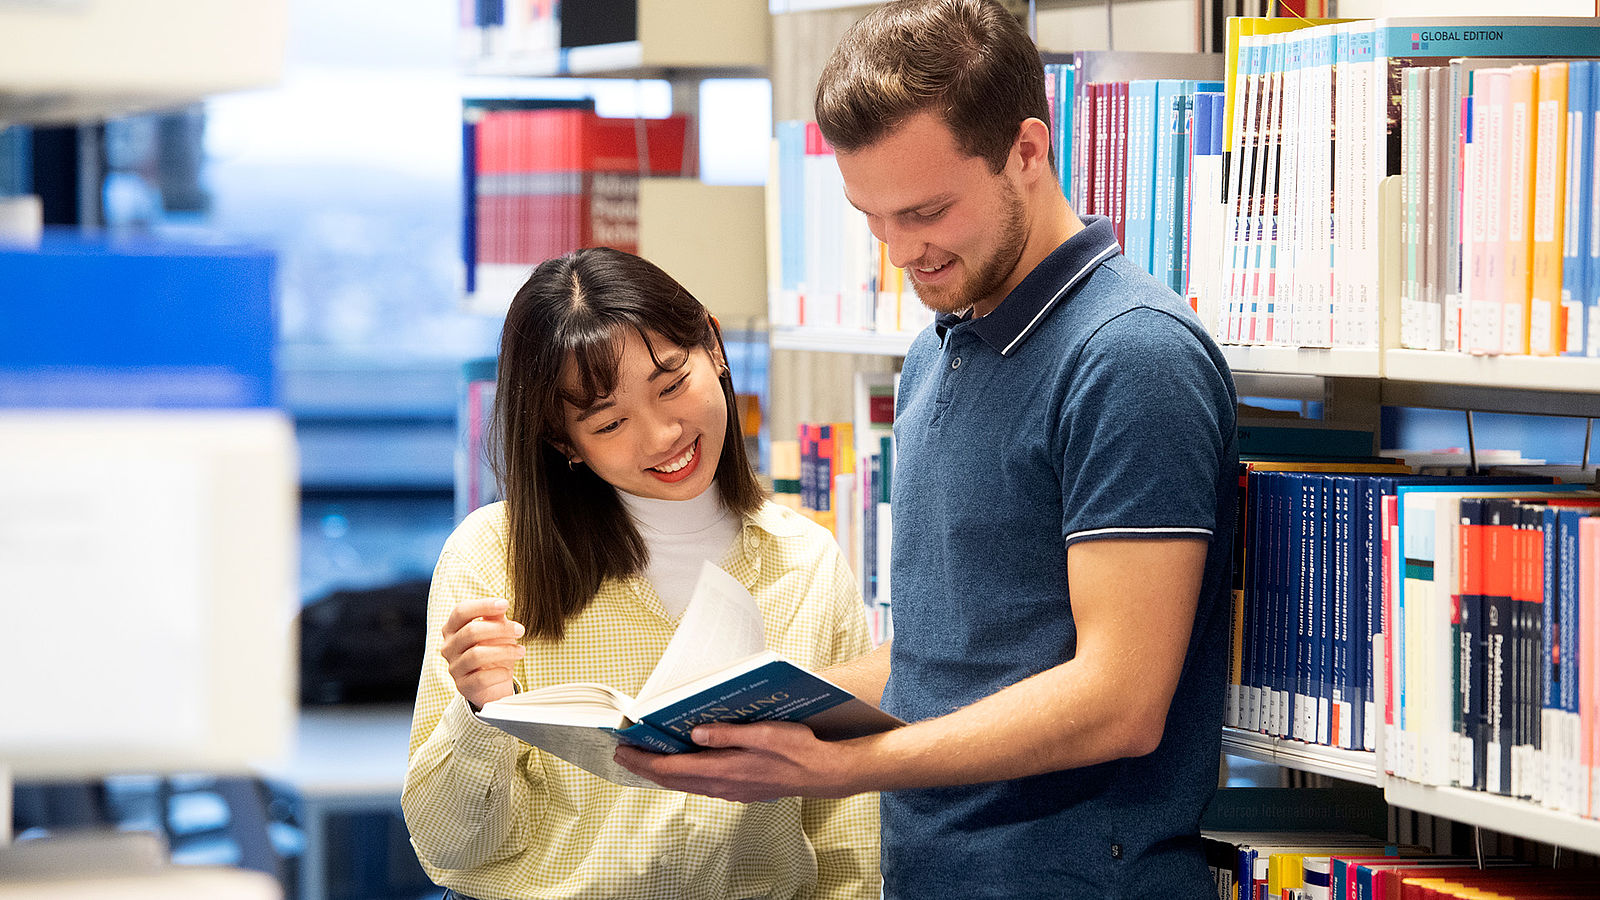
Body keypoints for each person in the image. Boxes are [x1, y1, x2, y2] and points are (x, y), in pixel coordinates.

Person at [615, 1, 1239, 897]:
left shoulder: (1131, 358)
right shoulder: (937, 349)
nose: (899, 252)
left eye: (927, 212)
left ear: (1028, 153)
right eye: (870, 217)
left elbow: (1121, 702)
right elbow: (951, 661)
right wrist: (744, 715)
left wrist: (838, 770)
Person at [402, 247, 880, 900]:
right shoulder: (492, 558)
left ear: (712, 344)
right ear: (564, 441)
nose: (661, 436)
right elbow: (448, 846)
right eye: (610, 422)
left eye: (672, 384)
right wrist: (478, 713)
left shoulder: (804, 560)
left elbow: (847, 834)